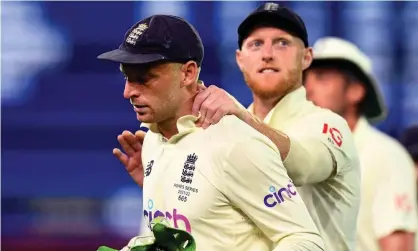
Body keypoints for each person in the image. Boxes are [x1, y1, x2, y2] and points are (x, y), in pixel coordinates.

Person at [98, 14, 324, 251]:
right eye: (127, 77)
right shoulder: (153, 141)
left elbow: (305, 240)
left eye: (144, 79)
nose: (128, 92)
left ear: (188, 73)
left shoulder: (235, 144)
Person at [172, 3, 360, 251]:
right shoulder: (222, 128)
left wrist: (243, 119)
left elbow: (302, 166)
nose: (268, 53)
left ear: (306, 57)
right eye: (256, 44)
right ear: (240, 59)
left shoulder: (328, 124)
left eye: (282, 42)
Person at [304, 37, 417, 251]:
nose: (307, 89)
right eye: (304, 80)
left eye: (321, 78)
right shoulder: (298, 157)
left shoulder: (385, 157)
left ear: (355, 91)